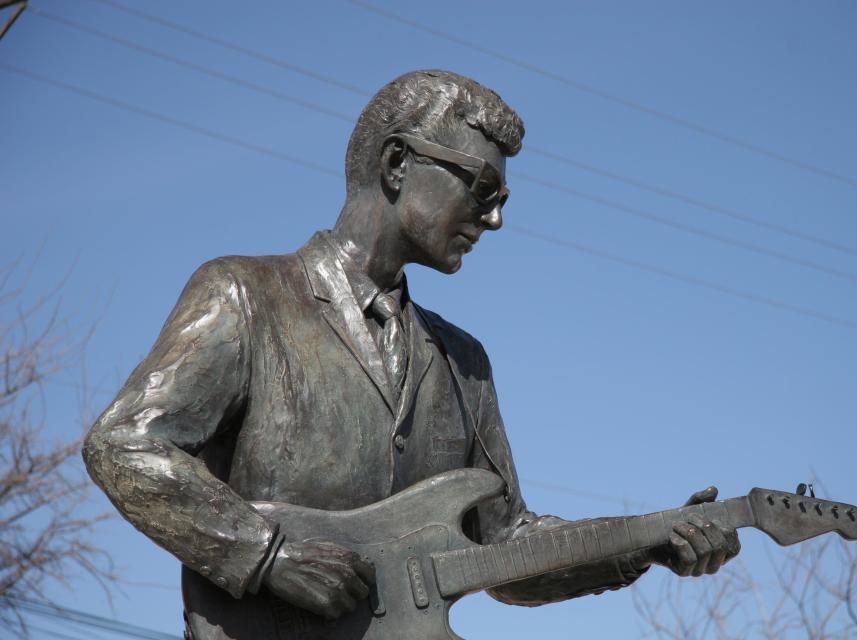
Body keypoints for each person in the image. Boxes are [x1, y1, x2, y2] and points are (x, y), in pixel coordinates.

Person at [83, 69, 740, 639]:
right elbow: (125, 446)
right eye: (482, 190)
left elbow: (506, 546)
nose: (495, 219)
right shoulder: (245, 295)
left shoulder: (464, 363)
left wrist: (646, 544)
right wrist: (267, 555)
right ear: (398, 164)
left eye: (502, 201)